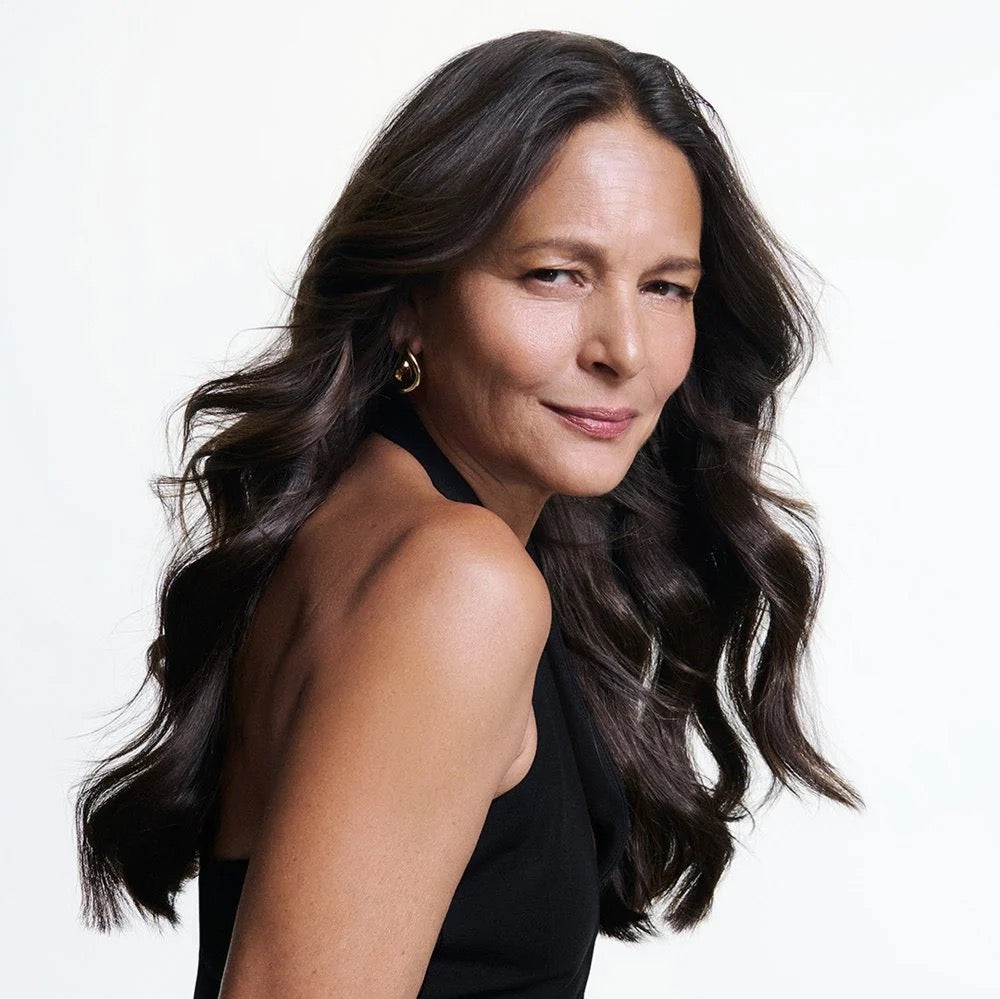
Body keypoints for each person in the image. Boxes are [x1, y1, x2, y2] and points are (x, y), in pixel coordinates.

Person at [74, 28, 863, 998]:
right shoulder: (457, 584)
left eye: (666, 287)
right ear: (410, 297)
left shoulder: (380, 532)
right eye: (554, 274)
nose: (621, 347)